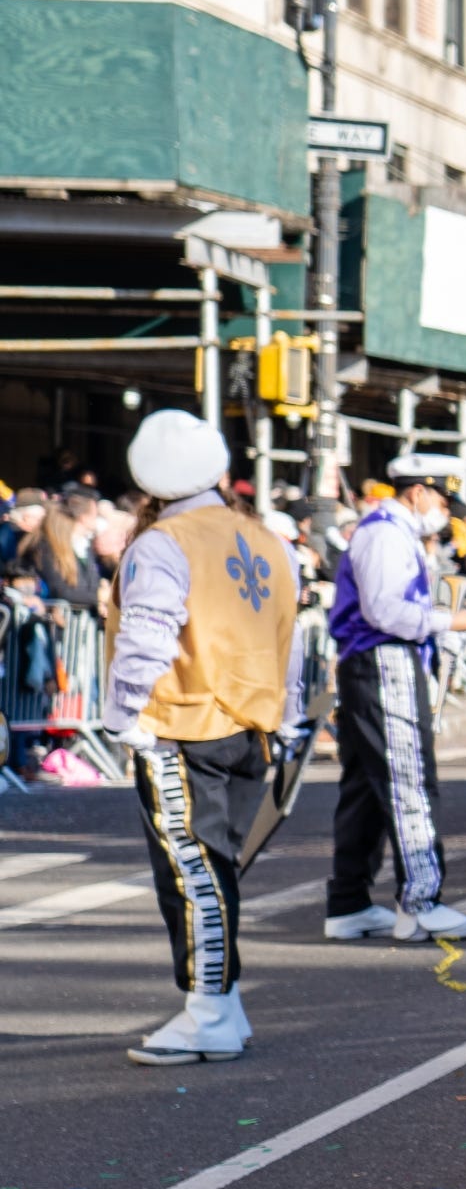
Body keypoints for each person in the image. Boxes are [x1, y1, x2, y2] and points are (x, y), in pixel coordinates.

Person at [97, 412, 303, 1065]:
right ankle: (224, 1001)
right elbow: (288, 637)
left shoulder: (164, 543)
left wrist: (122, 714)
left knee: (192, 873)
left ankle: (209, 1011)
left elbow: (148, 634)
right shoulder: (266, 538)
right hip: (252, 723)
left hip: (183, 722)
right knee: (216, 870)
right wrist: (289, 716)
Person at [327, 452, 466, 942]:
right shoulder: (385, 532)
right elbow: (386, 610)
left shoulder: (390, 530)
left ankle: (349, 903)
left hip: (377, 661)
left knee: (366, 786)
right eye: (443, 499)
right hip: (384, 659)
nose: (447, 511)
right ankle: (420, 902)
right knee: (409, 780)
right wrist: (453, 621)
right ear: (418, 491)